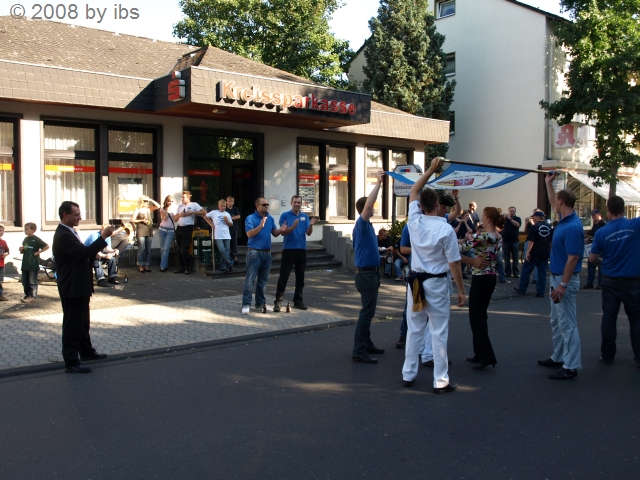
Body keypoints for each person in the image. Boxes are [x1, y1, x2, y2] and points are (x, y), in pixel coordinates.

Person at [402, 158, 466, 393]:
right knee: (438, 331)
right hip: (436, 283)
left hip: (416, 282)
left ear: (420, 206)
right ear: (438, 204)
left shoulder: (414, 221)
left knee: (415, 328)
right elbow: (454, 263)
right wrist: (461, 290)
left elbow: (414, 190)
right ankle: (440, 380)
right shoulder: (445, 229)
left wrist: (431, 169)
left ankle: (408, 374)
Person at [53, 201, 116, 373]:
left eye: (79, 214)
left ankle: (86, 351)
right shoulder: (63, 234)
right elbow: (82, 253)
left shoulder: (70, 231)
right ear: (65, 215)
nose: (80, 218)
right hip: (72, 286)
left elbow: (80, 254)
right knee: (73, 324)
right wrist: (102, 237)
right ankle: (72, 361)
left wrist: (93, 253)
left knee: (82, 321)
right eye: (76, 215)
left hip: (79, 284)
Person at [538, 172, 584, 380]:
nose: (553, 203)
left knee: (567, 324)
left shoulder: (573, 227)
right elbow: (551, 199)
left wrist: (563, 285)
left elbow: (573, 259)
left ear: (562, 202)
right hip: (556, 279)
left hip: (564, 281)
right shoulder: (564, 220)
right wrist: (548, 183)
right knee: (557, 321)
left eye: (556, 200)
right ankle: (559, 357)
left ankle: (571, 365)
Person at [589, 196, 640, 366]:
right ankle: (639, 357)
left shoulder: (601, 232)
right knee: (636, 319)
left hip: (610, 279)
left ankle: (607, 355)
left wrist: (604, 262)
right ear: (623, 209)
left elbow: (592, 259)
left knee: (609, 318)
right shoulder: (635, 225)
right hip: (633, 280)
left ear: (608, 211)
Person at [461, 207, 505, 370]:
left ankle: (486, 355)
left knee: (476, 316)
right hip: (490, 276)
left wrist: (463, 241)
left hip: (481, 277)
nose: (482, 219)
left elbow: (464, 248)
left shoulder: (485, 236)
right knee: (481, 315)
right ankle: (479, 352)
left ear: (489, 219)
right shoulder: (497, 236)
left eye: (484, 217)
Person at [351, 171, 387, 363]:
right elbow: (367, 205)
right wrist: (378, 184)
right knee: (366, 313)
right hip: (366, 276)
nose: (373, 208)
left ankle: (367, 344)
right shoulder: (362, 224)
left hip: (369, 274)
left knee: (368, 311)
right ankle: (359, 351)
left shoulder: (367, 227)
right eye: (371, 206)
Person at [241, 197, 287, 314]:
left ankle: (260, 304)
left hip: (267, 253)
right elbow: (249, 234)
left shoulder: (270, 218)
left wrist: (281, 230)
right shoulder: (250, 218)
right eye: (264, 204)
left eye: (267, 204)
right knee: (250, 280)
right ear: (257, 206)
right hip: (254, 253)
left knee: (263, 281)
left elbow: (274, 233)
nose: (267, 206)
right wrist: (260, 226)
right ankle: (246, 304)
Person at [274, 195, 318, 312]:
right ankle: (278, 302)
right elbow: (283, 233)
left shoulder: (305, 216)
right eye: (295, 202)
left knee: (300, 277)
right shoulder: (285, 215)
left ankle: (298, 301)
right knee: (284, 276)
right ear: (291, 203)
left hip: (301, 250)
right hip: (288, 249)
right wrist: (293, 226)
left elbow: (308, 233)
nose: (297, 204)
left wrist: (311, 225)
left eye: (299, 202)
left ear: (301, 204)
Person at [514, 211, 551, 297]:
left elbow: (531, 241)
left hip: (534, 252)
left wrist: (527, 252)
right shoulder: (549, 227)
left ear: (538, 217)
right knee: (542, 273)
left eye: (534, 217)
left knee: (526, 270)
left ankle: (522, 288)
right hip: (545, 252)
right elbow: (551, 241)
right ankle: (541, 292)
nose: (533, 219)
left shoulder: (535, 227)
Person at [174, 191, 206, 274]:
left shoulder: (194, 205)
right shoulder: (180, 206)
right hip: (179, 228)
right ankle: (181, 267)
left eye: (183, 197)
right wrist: (180, 215)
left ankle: (187, 267)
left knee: (183, 249)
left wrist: (192, 212)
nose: (182, 199)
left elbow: (204, 212)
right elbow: (175, 219)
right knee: (178, 249)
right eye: (182, 197)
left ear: (188, 197)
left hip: (188, 228)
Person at [19, 222, 49, 303]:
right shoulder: (25, 239)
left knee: (32, 281)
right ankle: (27, 295)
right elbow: (25, 250)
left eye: (26, 229)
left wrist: (38, 252)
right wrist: (21, 250)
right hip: (25, 264)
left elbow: (46, 246)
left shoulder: (36, 239)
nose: (25, 231)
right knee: (25, 281)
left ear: (33, 230)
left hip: (33, 264)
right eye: (24, 229)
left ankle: (33, 296)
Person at [131, 195, 160, 273]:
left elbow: (158, 206)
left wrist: (151, 200)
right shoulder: (137, 209)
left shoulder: (148, 209)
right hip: (141, 230)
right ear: (141, 201)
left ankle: (146, 265)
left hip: (149, 230)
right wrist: (141, 220)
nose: (146, 202)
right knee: (141, 248)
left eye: (147, 201)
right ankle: (140, 265)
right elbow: (133, 220)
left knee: (148, 249)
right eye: (145, 201)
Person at [205, 199, 235, 273]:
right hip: (218, 235)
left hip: (226, 235)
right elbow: (205, 216)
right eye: (221, 206)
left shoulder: (227, 214)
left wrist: (227, 221)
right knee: (222, 250)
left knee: (226, 251)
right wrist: (211, 223)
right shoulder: (214, 212)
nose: (223, 207)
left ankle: (224, 266)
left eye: (224, 206)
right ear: (218, 206)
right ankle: (231, 263)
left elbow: (231, 224)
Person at [583, 209, 607, 289]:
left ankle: (601, 284)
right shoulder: (595, 224)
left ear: (599, 215)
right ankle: (590, 283)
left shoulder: (603, 224)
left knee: (600, 266)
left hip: (601, 248)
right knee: (591, 264)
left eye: (594, 215)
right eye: (592, 215)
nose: (593, 217)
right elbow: (592, 234)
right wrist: (588, 238)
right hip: (594, 247)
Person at [501, 206, 521, 278]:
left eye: (513, 211)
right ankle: (508, 272)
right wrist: (501, 216)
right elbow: (499, 225)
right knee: (506, 258)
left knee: (515, 258)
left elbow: (517, 225)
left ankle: (516, 273)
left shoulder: (517, 218)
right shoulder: (505, 219)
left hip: (514, 241)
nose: (512, 212)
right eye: (511, 211)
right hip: (505, 241)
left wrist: (510, 218)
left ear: (515, 212)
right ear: (508, 211)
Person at [524, 208, 543, 284]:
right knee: (527, 261)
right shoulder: (531, 220)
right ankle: (526, 279)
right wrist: (526, 223)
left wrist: (532, 222)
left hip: (537, 243)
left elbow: (536, 228)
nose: (534, 217)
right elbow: (526, 231)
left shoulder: (542, 222)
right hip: (529, 241)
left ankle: (535, 278)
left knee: (536, 262)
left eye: (535, 215)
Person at [158, 195, 176, 272]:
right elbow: (165, 218)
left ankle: (162, 266)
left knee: (166, 249)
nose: (170, 202)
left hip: (170, 230)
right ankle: (165, 265)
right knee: (162, 249)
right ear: (166, 201)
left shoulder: (175, 209)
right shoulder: (162, 209)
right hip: (162, 229)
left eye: (172, 201)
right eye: (169, 201)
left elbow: (176, 219)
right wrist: (167, 210)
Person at [226, 196, 241, 263]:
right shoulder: (225, 209)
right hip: (226, 228)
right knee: (227, 242)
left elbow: (238, 216)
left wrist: (229, 218)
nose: (230, 203)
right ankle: (227, 256)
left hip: (234, 228)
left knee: (234, 242)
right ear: (226, 202)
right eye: (229, 201)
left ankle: (234, 255)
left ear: (233, 202)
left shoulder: (235, 209)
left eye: (231, 201)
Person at [0, 225, 9, 301]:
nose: (0, 232)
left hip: (1, 265)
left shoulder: (3, 242)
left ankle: (0, 295)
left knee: (0, 281)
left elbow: (7, 251)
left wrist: (5, 254)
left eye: (1, 230)